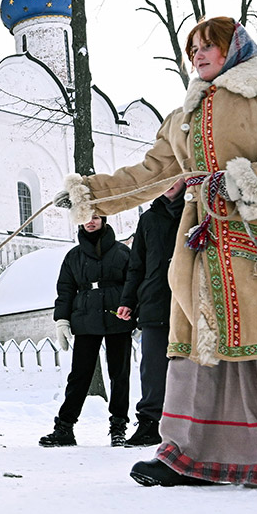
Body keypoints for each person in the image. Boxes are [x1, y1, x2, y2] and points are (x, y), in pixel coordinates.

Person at [60, 17, 257, 491]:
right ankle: (190, 458)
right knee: (199, 354)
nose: (199, 55)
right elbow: (148, 174)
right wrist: (91, 195)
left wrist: (248, 181)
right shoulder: (181, 117)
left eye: (210, 46)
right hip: (206, 253)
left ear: (236, 48)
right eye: (193, 49)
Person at [39, 215, 134, 448]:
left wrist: (133, 307)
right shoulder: (74, 256)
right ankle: (64, 428)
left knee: (119, 375)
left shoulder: (122, 252)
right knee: (79, 375)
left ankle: (118, 427)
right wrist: (62, 319)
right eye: (84, 218)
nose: (89, 222)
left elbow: (133, 282)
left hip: (117, 316)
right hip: (85, 318)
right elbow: (65, 289)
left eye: (94, 217)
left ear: (103, 219)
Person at [116, 178, 185, 447]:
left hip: (190, 302)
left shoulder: (198, 210)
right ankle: (149, 423)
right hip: (155, 302)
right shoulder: (148, 219)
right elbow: (137, 265)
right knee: (153, 367)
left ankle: (194, 423)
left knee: (193, 366)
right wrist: (128, 301)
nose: (167, 183)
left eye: (173, 177)